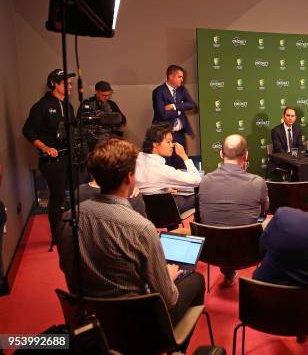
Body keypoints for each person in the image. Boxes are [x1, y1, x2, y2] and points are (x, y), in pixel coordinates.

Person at [57, 138, 205, 333]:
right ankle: (175, 346)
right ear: (129, 178)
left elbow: (65, 266)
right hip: (135, 324)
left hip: (89, 320)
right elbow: (168, 298)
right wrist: (168, 277)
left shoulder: (68, 219)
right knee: (197, 280)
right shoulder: (141, 228)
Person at [198, 134, 269, 286]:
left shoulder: (205, 181)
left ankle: (228, 272)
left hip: (211, 251)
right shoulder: (258, 183)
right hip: (249, 252)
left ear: (220, 153)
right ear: (246, 155)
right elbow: (265, 210)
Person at [23, 69, 76, 245]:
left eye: (70, 83)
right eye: (66, 83)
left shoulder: (68, 106)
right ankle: (57, 236)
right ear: (54, 84)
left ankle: (74, 231)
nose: (70, 86)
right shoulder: (42, 106)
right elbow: (28, 130)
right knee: (58, 197)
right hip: (52, 161)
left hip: (70, 157)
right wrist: (45, 147)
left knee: (76, 194)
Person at [135, 123, 202, 215]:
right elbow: (197, 180)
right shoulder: (164, 171)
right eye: (168, 142)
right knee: (201, 195)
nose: (172, 145)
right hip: (164, 211)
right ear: (155, 144)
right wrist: (184, 156)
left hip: (144, 210)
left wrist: (164, 189)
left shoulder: (137, 158)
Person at [152, 65, 196, 169]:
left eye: (182, 77)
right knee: (166, 165)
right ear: (171, 76)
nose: (182, 79)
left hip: (179, 134)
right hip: (164, 134)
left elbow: (191, 105)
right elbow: (162, 114)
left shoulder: (182, 90)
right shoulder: (159, 91)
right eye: (179, 77)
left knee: (180, 163)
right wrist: (180, 111)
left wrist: (174, 106)